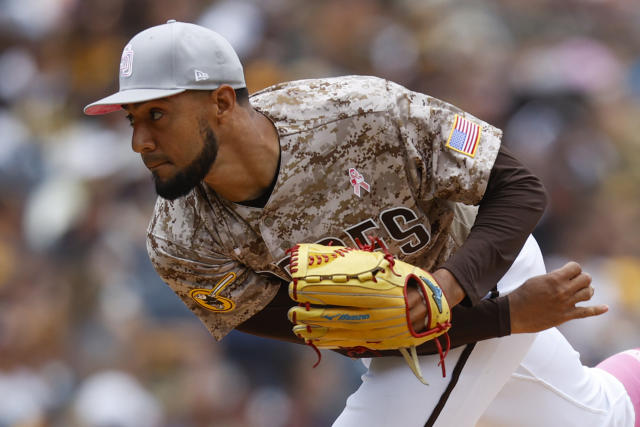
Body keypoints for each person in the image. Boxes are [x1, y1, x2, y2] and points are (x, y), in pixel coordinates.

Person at [84, 20, 638, 427]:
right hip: (440, 328)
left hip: (482, 263)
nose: (140, 142)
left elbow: (519, 188)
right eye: (133, 120)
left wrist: (456, 292)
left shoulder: (357, 112)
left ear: (223, 102)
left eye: (157, 114)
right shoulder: (179, 241)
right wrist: (504, 321)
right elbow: (345, 334)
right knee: (601, 417)